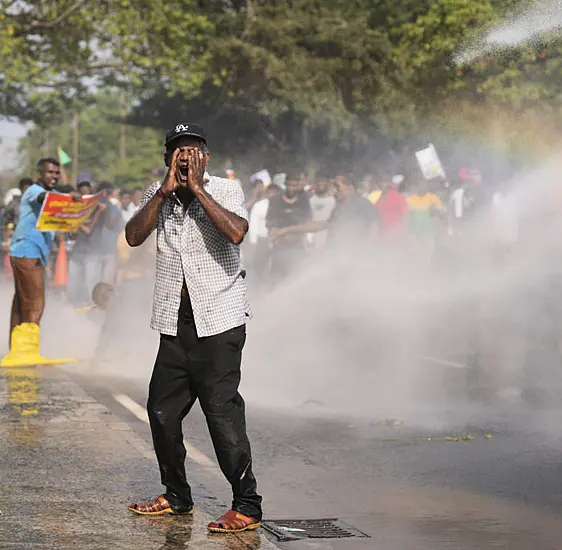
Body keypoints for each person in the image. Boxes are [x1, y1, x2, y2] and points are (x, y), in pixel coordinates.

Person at [125, 123, 262, 534]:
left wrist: (199, 189)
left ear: (206, 157)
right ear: (167, 159)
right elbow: (133, 236)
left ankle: (247, 505)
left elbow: (237, 232)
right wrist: (166, 191)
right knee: (161, 411)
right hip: (174, 323)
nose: (186, 157)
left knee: (220, 414)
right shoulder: (158, 193)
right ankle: (177, 495)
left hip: (219, 322)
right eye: (178, 151)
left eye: (194, 150)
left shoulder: (225, 190)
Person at [0, 158, 81, 367]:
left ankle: (16, 350)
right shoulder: (34, 191)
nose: (53, 176)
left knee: (22, 301)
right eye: (49, 172)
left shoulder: (49, 196)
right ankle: (27, 350)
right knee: (35, 302)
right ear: (39, 174)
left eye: (56, 173)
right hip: (27, 251)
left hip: (29, 252)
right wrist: (65, 196)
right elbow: (43, 197)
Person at [270, 176, 378, 251]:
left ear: (349, 187)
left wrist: (365, 251)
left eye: (337, 186)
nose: (334, 189)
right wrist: (286, 230)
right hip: (341, 256)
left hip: (358, 258)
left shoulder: (363, 203)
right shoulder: (339, 207)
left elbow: (374, 228)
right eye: (333, 186)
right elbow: (321, 225)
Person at [266, 173, 311, 281]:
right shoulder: (276, 200)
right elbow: (269, 220)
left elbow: (308, 220)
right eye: (289, 185)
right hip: (280, 246)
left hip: (298, 246)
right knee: (277, 278)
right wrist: (274, 232)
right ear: (285, 184)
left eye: (294, 185)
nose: (292, 188)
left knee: (298, 277)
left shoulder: (304, 201)